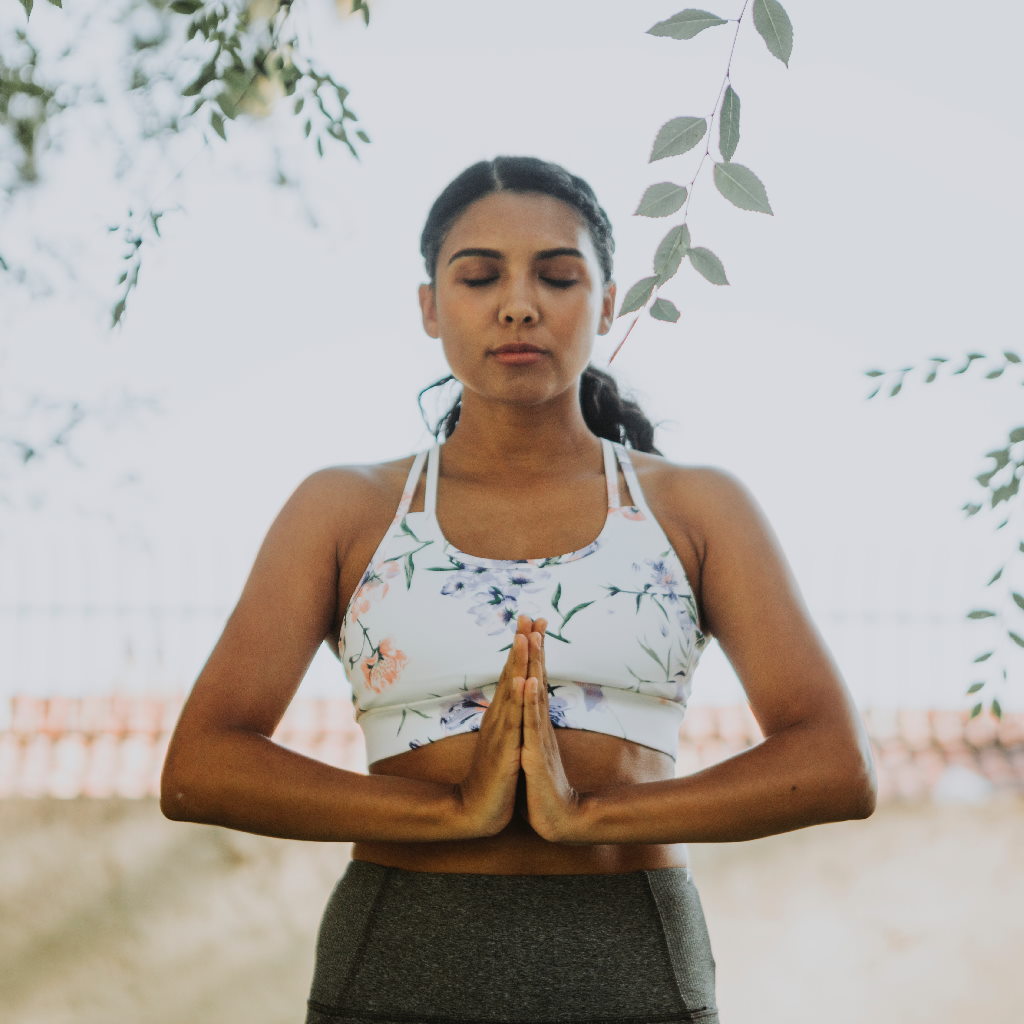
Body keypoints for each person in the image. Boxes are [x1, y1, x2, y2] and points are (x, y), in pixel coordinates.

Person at [161, 155, 876, 1024]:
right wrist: (448, 812)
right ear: (430, 305)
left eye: (558, 275)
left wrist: (592, 814)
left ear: (607, 302)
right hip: (399, 955)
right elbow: (201, 767)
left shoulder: (694, 507)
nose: (519, 303)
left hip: (632, 958)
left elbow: (836, 764)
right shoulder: (344, 509)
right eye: (479, 275)